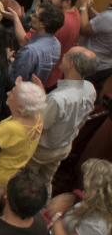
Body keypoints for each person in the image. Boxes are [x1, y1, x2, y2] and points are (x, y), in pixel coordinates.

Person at [0, 80, 46, 220]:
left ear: (20, 107)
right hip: (9, 175)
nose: (8, 93)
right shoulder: (37, 117)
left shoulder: (12, 128)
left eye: (12, 93)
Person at [28, 48, 99, 186]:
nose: (63, 55)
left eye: (66, 55)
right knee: (46, 181)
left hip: (42, 151)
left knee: (28, 183)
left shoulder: (57, 98)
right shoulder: (90, 88)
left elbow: (39, 126)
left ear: (71, 63)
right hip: (65, 146)